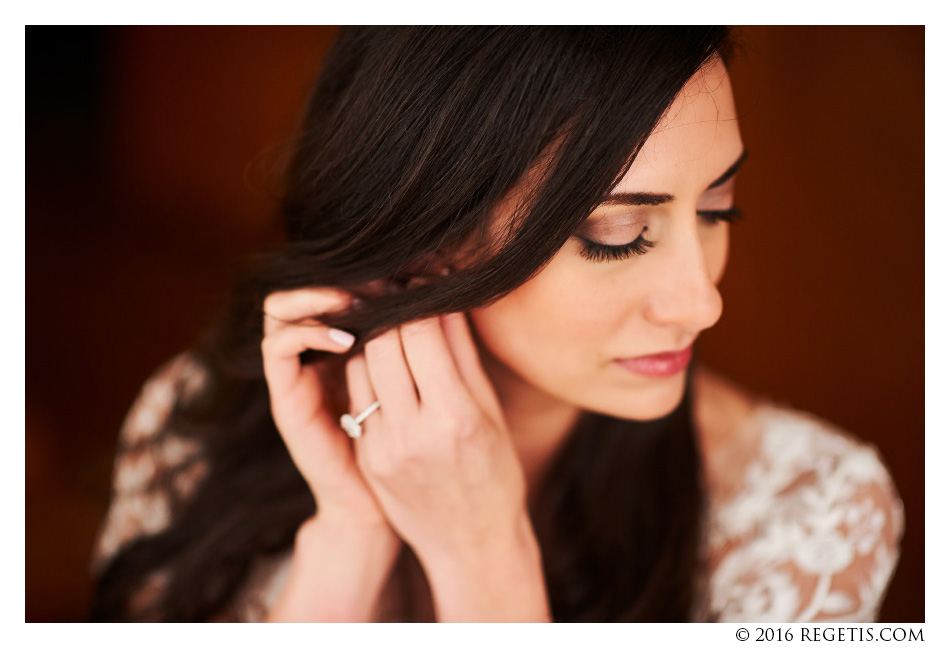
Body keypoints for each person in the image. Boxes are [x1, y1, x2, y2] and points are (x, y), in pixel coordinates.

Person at [88, 26, 904, 622]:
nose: (701, 302)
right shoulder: (197, 423)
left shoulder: (809, 518)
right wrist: (350, 534)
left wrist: (485, 557)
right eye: (617, 236)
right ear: (429, 236)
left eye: (720, 208)